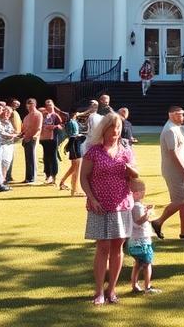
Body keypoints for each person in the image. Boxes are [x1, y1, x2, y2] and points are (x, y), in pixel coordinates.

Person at [81, 111, 134, 304]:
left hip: (122, 203)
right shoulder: (94, 151)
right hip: (99, 205)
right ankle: (98, 292)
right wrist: (92, 198)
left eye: (119, 129)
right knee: (102, 247)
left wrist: (132, 171)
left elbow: (134, 176)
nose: (116, 133)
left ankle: (112, 290)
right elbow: (83, 177)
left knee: (117, 248)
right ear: (104, 130)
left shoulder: (126, 149)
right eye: (113, 129)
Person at [151, 105, 184, 240]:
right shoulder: (170, 130)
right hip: (175, 171)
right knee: (179, 200)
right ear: (171, 115)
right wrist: (183, 171)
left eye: (182, 114)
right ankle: (157, 222)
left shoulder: (178, 128)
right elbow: (173, 153)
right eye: (179, 114)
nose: (182, 117)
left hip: (183, 170)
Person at [127, 179, 158, 294]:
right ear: (136, 193)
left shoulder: (131, 206)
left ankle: (134, 285)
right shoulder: (137, 206)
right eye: (142, 192)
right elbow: (139, 221)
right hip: (142, 241)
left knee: (137, 264)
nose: (144, 194)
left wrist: (145, 209)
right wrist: (148, 213)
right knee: (147, 264)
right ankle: (147, 286)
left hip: (133, 241)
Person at [59, 109, 85, 195]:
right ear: (75, 113)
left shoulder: (73, 121)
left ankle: (63, 182)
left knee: (74, 167)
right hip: (74, 144)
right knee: (76, 168)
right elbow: (72, 135)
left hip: (75, 143)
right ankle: (74, 190)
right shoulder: (71, 122)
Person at [40, 100, 64, 184]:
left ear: (53, 105)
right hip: (44, 139)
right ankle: (47, 174)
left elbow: (61, 126)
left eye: (50, 105)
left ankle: (54, 176)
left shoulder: (56, 115)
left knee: (53, 156)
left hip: (53, 138)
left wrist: (54, 127)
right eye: (47, 105)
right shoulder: (43, 115)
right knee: (46, 156)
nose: (49, 107)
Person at [20, 98, 42, 184]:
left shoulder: (38, 114)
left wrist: (35, 136)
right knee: (28, 159)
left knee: (32, 158)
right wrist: (22, 135)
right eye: (28, 104)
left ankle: (32, 177)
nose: (29, 105)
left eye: (31, 104)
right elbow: (24, 129)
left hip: (32, 139)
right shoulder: (26, 117)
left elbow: (39, 128)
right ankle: (28, 177)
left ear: (35, 104)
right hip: (26, 139)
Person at [0, 103, 20, 184]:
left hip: (9, 145)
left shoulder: (8, 122)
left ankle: (3, 179)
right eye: (6, 112)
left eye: (9, 113)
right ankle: (0, 181)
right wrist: (13, 135)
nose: (8, 114)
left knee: (7, 162)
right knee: (2, 162)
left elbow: (11, 131)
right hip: (1, 145)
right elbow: (1, 133)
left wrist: (18, 134)